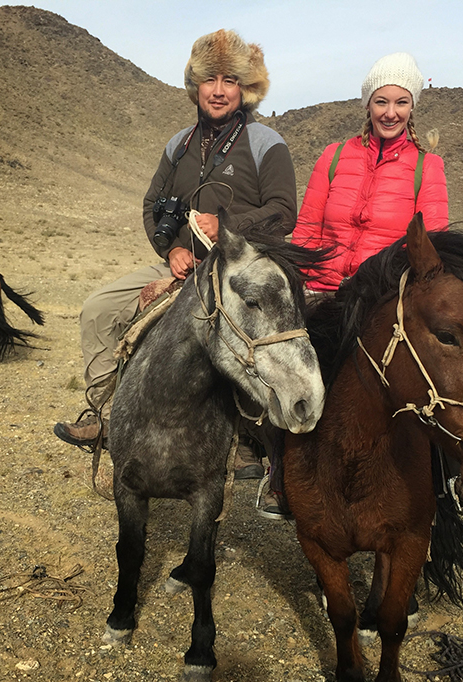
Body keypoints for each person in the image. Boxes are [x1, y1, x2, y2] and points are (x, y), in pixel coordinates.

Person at [54, 29, 297, 475]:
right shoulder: (179, 144)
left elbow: (284, 213)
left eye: (229, 80)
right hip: (182, 268)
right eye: (209, 79)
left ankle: (250, 440)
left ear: (244, 88)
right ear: (195, 86)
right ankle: (105, 413)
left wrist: (227, 225)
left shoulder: (266, 143)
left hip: (237, 270)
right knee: (97, 309)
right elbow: (152, 204)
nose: (218, 90)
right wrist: (170, 252)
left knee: (246, 337)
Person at [266, 52, 463, 519]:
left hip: (383, 296)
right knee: (284, 369)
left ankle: (453, 477)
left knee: (426, 374)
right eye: (381, 101)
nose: (390, 112)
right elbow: (308, 228)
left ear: (413, 108)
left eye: (401, 102)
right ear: (367, 104)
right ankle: (277, 475)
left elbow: (432, 242)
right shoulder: (334, 157)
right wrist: (302, 286)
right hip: (324, 289)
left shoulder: (426, 167)